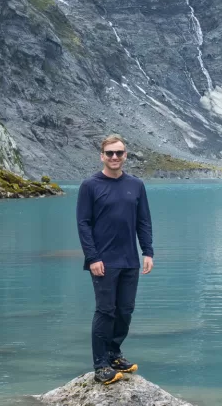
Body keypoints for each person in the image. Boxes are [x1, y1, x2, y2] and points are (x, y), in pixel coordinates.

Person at [76, 134, 154, 385]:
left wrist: (148, 251)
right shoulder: (90, 185)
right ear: (102, 156)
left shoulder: (136, 184)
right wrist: (93, 257)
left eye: (119, 153)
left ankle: (114, 353)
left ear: (125, 156)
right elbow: (83, 224)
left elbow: (143, 221)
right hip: (103, 261)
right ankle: (100, 365)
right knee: (105, 310)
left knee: (125, 311)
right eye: (109, 153)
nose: (114, 157)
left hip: (130, 259)